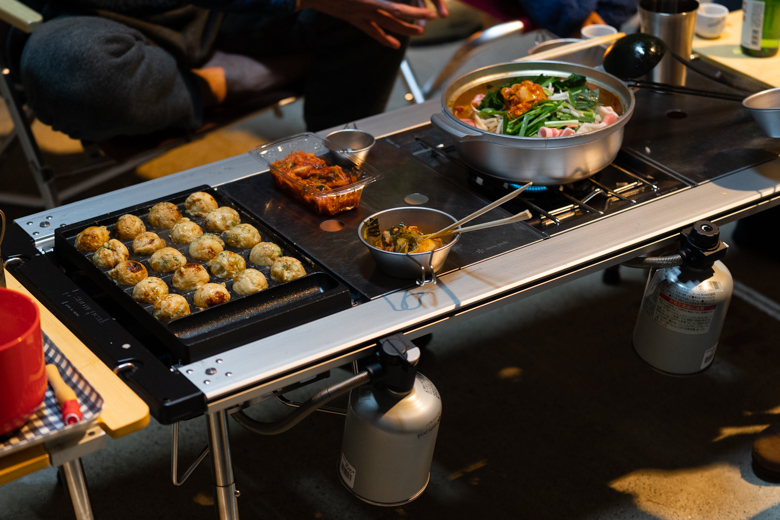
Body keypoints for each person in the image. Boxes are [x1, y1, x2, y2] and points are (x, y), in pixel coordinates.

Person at [14, 0, 448, 142]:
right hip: (102, 19)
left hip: (222, 13)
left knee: (389, 4)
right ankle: (223, 82)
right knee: (72, 68)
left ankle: (338, 165)